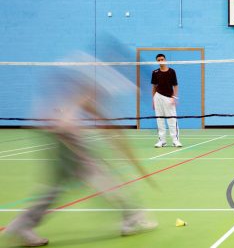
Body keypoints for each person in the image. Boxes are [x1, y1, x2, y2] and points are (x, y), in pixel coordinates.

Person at [2, 53, 157, 247]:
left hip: (46, 123)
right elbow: (93, 109)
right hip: (66, 128)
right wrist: (116, 140)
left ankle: (22, 226)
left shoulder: (82, 66)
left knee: (58, 182)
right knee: (96, 172)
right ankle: (132, 216)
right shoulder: (107, 79)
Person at [151, 53, 181, 148]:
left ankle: (175, 140)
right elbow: (154, 87)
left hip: (169, 98)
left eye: (162, 59)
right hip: (158, 97)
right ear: (157, 61)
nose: (161, 61)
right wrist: (153, 100)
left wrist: (174, 97)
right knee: (159, 120)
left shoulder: (172, 71)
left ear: (165, 60)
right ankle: (162, 141)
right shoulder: (155, 72)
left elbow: (175, 86)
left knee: (172, 119)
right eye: (158, 60)